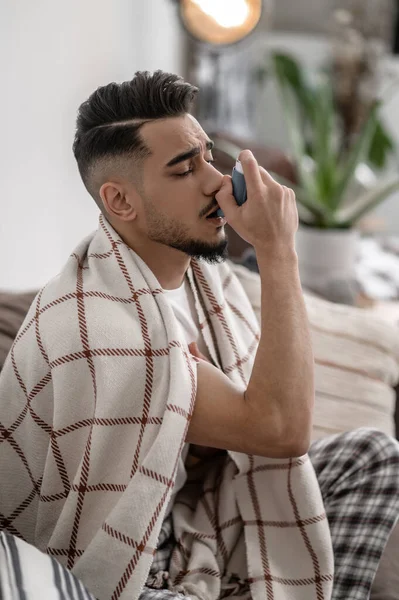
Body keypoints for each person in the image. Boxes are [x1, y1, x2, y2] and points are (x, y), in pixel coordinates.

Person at [0, 70, 398, 600]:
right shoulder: (105, 327)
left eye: (208, 156)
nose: (216, 181)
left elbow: (215, 432)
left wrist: (188, 418)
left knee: (371, 455)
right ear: (120, 202)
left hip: (193, 511)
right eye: (185, 169)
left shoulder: (201, 275)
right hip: (130, 565)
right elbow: (280, 430)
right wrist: (279, 251)